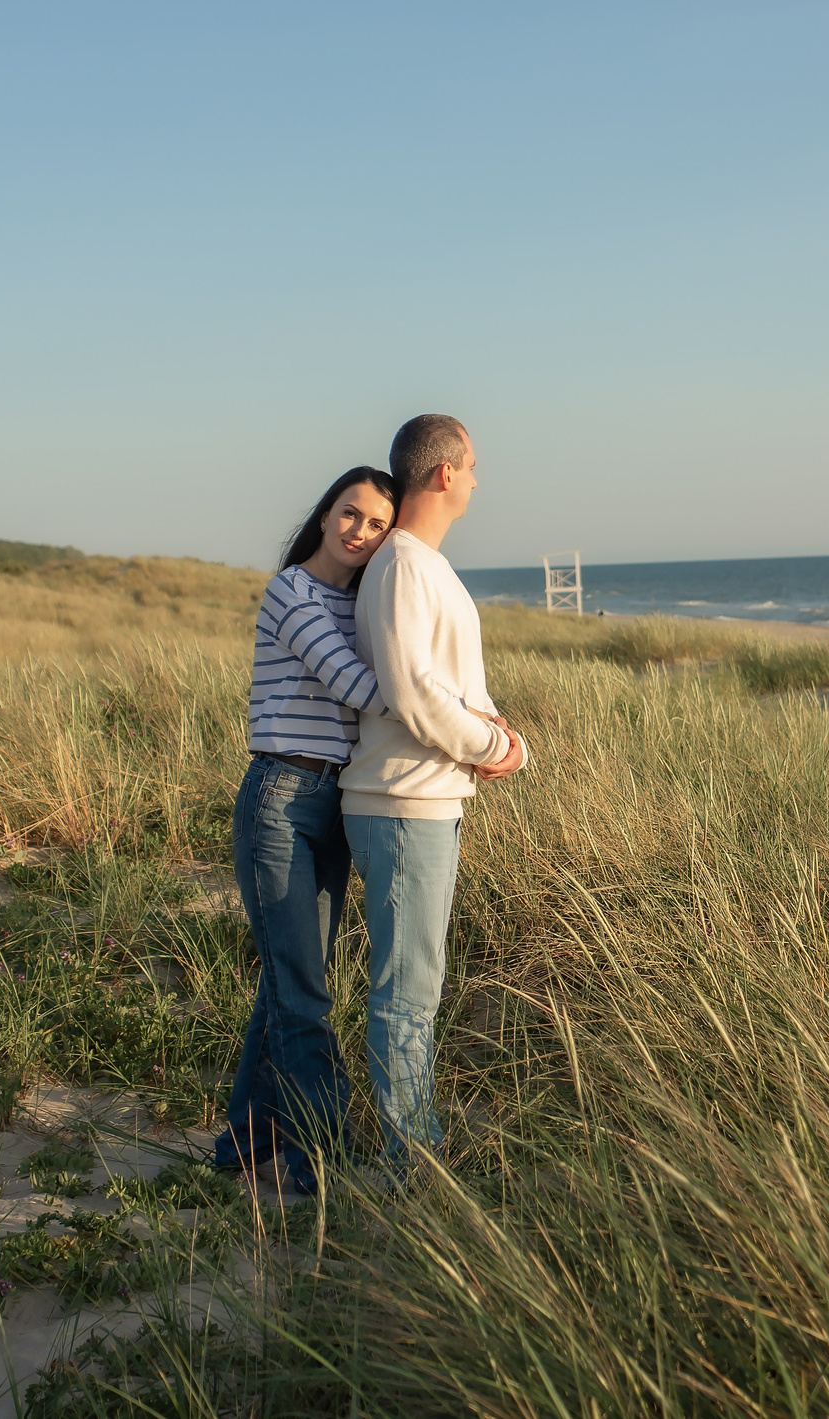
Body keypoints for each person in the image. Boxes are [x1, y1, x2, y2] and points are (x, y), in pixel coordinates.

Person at [341, 414, 527, 1166]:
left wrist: (492, 736)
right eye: (474, 465)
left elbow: (443, 686)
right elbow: (414, 690)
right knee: (406, 990)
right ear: (444, 472)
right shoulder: (404, 566)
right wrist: (491, 744)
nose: (479, 479)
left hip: (426, 797)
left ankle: (414, 1140)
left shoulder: (420, 565)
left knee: (419, 982)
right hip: (401, 802)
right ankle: (409, 1157)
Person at [213, 465, 401, 1193]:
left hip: (337, 805)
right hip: (282, 799)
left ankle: (244, 1141)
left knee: (291, 985)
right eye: (349, 513)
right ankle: (315, 1157)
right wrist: (446, 700)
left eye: (376, 523)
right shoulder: (292, 590)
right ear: (325, 515)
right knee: (303, 994)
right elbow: (356, 687)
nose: (359, 530)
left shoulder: (358, 603)